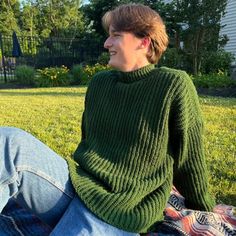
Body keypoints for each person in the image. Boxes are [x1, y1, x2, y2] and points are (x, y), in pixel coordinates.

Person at [0, 3, 215, 235]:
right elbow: (89, 145)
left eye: (116, 36)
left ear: (144, 41)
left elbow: (189, 158)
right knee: (8, 142)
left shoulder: (173, 84)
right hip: (79, 185)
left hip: (124, 207)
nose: (106, 43)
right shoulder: (100, 83)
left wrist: (203, 210)